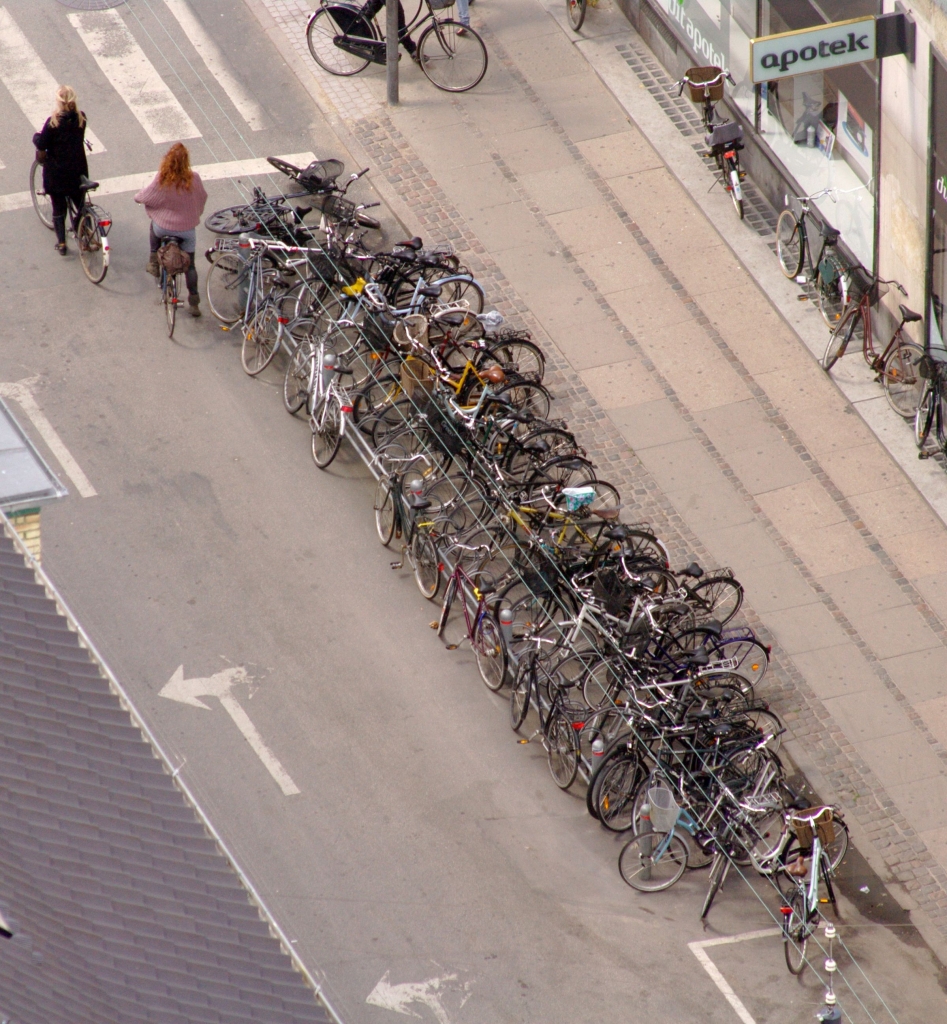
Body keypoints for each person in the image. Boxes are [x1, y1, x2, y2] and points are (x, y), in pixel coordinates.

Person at [134, 143, 208, 317]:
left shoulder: (162, 178)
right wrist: (194, 214)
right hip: (186, 230)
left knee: (153, 227)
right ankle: (194, 302)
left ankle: (154, 261)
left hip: (163, 228)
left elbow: (144, 196)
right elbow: (202, 197)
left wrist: (138, 197)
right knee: (191, 266)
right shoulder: (194, 178)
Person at [32, 86, 89, 255]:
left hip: (57, 173)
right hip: (78, 171)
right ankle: (85, 231)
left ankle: (62, 243)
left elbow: (42, 143)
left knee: (58, 207)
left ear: (59, 102)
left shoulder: (53, 122)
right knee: (80, 204)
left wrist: (36, 136)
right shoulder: (81, 118)